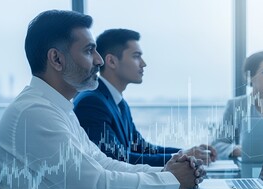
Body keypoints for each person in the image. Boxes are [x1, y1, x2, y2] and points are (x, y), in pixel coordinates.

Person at [0, 10, 204, 189]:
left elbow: (104, 164)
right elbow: (98, 187)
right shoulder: (33, 114)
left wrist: (166, 171)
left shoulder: (57, 109)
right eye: (88, 50)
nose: (99, 60)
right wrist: (171, 178)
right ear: (56, 59)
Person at [73, 28, 217, 167]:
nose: (143, 63)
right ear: (111, 61)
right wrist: (183, 157)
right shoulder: (91, 102)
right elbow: (117, 159)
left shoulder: (119, 102)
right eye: (136, 56)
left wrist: (187, 152)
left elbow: (141, 147)